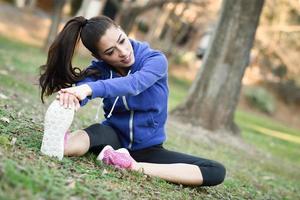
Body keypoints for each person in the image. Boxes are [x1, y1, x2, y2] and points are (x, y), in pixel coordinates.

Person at [39, 15, 226, 186]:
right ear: (99, 56)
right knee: (86, 137)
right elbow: (86, 88)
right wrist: (71, 99)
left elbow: (134, 84)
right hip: (112, 136)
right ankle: (60, 143)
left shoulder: (155, 60)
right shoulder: (100, 69)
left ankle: (130, 165)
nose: (123, 52)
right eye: (111, 51)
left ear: (122, 29)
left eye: (122, 40)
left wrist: (88, 89)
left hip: (148, 149)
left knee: (216, 171)